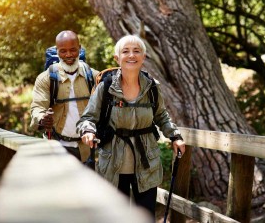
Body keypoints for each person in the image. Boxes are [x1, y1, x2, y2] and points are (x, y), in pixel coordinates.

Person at [76, 34, 185, 217]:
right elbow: (87, 118)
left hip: (146, 163)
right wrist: (87, 130)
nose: (131, 55)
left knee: (146, 216)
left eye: (137, 51)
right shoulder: (107, 87)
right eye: (125, 51)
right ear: (117, 58)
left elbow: (161, 116)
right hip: (113, 165)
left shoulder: (152, 87)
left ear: (144, 57)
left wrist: (175, 136)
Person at [30, 30, 98, 162]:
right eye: (63, 51)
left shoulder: (93, 76)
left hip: (87, 149)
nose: (68, 55)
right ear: (57, 51)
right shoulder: (46, 78)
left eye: (73, 50)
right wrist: (42, 119)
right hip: (57, 147)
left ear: (79, 48)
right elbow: (37, 107)